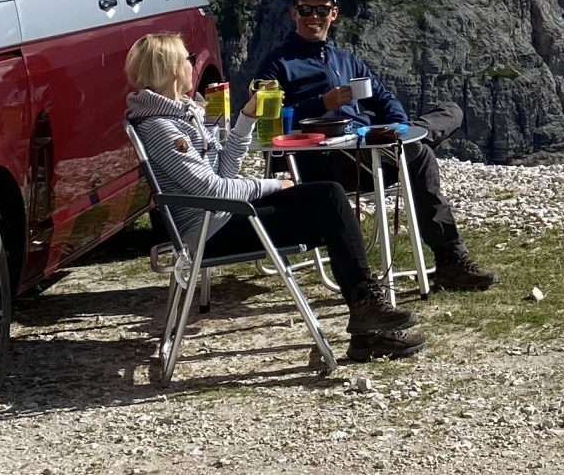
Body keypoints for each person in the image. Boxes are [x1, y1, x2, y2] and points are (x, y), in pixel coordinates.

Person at [122, 31, 425, 361]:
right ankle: (368, 323)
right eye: (186, 59)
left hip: (222, 214)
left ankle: (368, 317)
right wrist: (272, 186)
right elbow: (211, 189)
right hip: (211, 229)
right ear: (169, 69)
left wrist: (247, 118)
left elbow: (223, 170)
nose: (191, 65)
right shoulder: (162, 127)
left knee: (329, 197)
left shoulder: (182, 114)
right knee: (329, 207)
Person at [254, 0, 497, 293]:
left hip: (371, 147)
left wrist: (396, 122)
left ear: (333, 14)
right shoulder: (277, 64)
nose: (314, 17)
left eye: (321, 10)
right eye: (306, 10)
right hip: (323, 159)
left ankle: (411, 136)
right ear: (293, 13)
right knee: (421, 154)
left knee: (452, 109)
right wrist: (320, 104)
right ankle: (450, 258)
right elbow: (264, 119)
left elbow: (382, 97)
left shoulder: (346, 59)